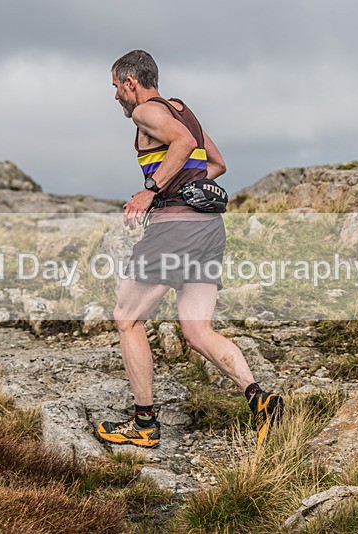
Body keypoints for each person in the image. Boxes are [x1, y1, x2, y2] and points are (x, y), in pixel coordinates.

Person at [96, 50, 283, 450]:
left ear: (131, 82)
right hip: (208, 230)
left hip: (174, 231)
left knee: (126, 319)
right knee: (197, 330)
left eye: (115, 87)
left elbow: (180, 144)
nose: (115, 96)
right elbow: (215, 163)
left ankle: (144, 425)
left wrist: (152, 191)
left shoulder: (146, 112)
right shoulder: (183, 111)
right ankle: (261, 401)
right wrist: (186, 185)